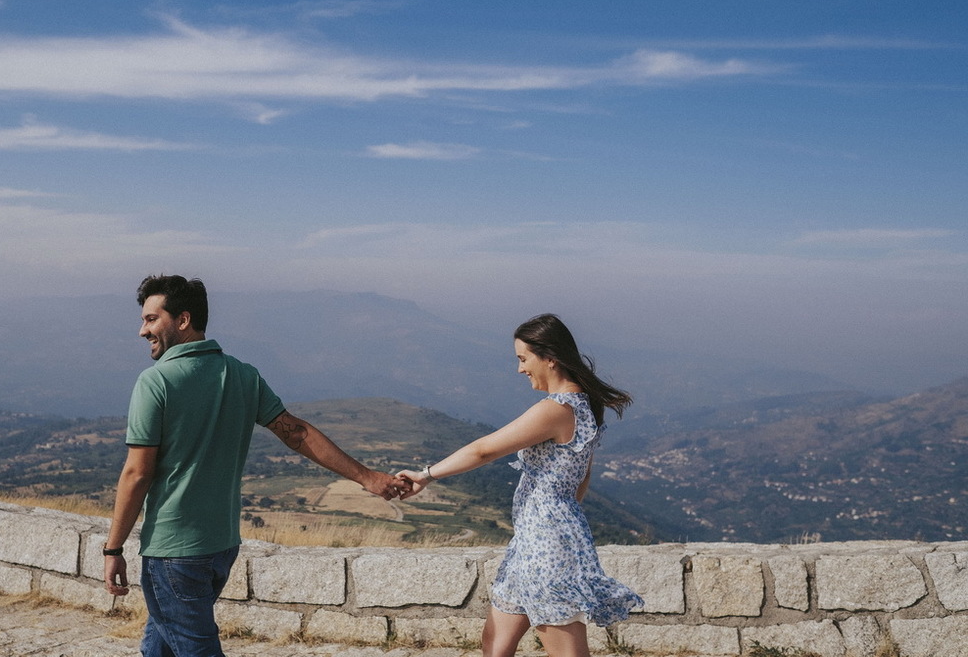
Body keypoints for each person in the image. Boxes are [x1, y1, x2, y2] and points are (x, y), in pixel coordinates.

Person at [103, 274, 409, 657]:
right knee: (160, 646)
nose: (142, 330)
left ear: (182, 320)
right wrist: (369, 478)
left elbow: (137, 473)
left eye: (151, 319)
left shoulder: (156, 382)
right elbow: (297, 433)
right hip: (221, 547)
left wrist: (113, 549)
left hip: (173, 552)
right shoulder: (242, 375)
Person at [397, 313, 643, 657]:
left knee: (565, 652)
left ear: (550, 358)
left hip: (546, 546)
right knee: (495, 643)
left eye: (523, 359)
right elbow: (582, 477)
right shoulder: (585, 405)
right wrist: (559, 516)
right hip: (534, 542)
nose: (519, 369)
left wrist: (425, 475)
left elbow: (484, 450)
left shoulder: (556, 410)